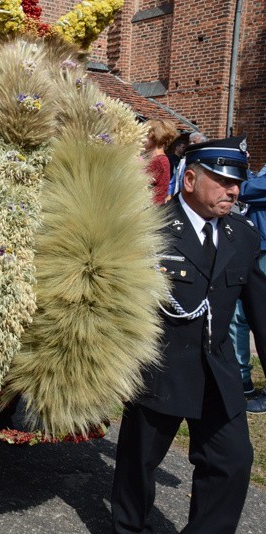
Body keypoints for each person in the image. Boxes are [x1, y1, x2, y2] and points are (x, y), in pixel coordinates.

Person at [111, 136, 266, 533]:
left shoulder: (243, 235)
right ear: (190, 180)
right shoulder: (151, 230)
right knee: (138, 464)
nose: (233, 189)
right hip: (161, 368)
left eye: (238, 181)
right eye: (222, 180)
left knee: (231, 461)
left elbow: (260, 309)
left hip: (218, 370)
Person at [232, 165, 266, 412]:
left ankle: (242, 380)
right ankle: (241, 380)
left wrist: (241, 171)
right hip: (259, 245)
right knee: (241, 316)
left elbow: (245, 189)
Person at [143, 119, 177, 205]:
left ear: (155, 138)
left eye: (145, 135)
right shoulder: (159, 159)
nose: (142, 139)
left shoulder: (159, 161)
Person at [167, 131, 208, 199]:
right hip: (180, 198)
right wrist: (169, 194)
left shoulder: (205, 162)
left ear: (202, 144)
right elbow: (174, 180)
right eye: (190, 142)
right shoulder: (183, 161)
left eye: (194, 142)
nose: (191, 144)